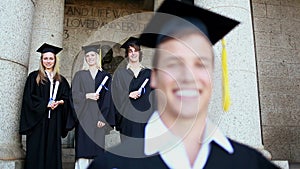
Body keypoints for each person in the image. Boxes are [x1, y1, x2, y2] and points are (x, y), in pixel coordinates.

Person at [88, 0, 280, 168]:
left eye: (200, 64)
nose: (188, 76)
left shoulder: (252, 164)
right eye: (174, 63)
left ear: (212, 77)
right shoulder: (110, 165)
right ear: (154, 77)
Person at [19, 43, 71, 169]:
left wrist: (61, 102)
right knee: (37, 148)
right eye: (45, 58)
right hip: (38, 121)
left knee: (52, 150)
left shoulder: (61, 80)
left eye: (51, 58)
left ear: (55, 60)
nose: (48, 61)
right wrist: (45, 104)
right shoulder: (34, 77)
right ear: (41, 60)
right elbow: (28, 98)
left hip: (54, 120)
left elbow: (67, 97)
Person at [66, 44, 115, 169]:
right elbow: (73, 95)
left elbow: (108, 100)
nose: (90, 58)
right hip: (84, 118)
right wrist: (86, 96)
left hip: (98, 120)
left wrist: (103, 118)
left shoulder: (105, 77)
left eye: (92, 55)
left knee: (97, 150)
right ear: (85, 59)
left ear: (97, 57)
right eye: (87, 56)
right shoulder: (79, 75)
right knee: (83, 150)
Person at [112, 37, 154, 139]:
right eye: (130, 51)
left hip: (145, 119)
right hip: (127, 119)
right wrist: (128, 95)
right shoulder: (120, 74)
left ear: (140, 53)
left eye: (136, 50)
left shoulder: (149, 74)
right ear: (127, 54)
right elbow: (115, 95)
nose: (133, 53)